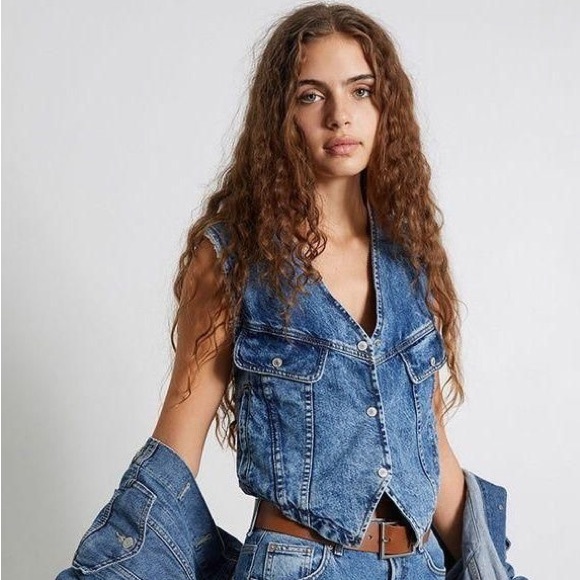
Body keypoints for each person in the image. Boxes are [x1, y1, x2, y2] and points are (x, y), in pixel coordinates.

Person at [57, 4, 527, 579]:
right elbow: (177, 446)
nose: (339, 116)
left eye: (361, 91)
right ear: (282, 115)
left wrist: (494, 568)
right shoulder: (233, 258)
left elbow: (432, 451)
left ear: (386, 107)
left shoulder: (410, 257)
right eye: (311, 95)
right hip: (300, 567)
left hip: (420, 565)